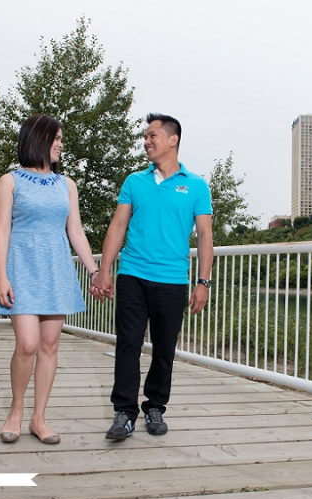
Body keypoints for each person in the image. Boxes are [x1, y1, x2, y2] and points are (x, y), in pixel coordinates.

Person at [91, 113, 213, 441]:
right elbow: (118, 226)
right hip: (132, 273)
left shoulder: (197, 186)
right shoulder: (135, 182)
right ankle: (124, 413)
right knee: (128, 344)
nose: (146, 141)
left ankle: (155, 406)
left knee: (164, 348)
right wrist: (104, 270)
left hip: (173, 280)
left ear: (173, 140)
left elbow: (204, 236)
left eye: (152, 135)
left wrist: (203, 282)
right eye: (145, 136)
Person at [0, 114, 99, 445]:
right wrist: (1, 276)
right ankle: (16, 410)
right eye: (56, 138)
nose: (60, 144)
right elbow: (2, 230)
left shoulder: (67, 185)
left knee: (50, 345)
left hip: (56, 272)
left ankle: (39, 419)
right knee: (27, 344)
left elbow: (75, 231)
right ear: (37, 138)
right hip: (22, 270)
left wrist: (95, 270)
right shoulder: (9, 181)